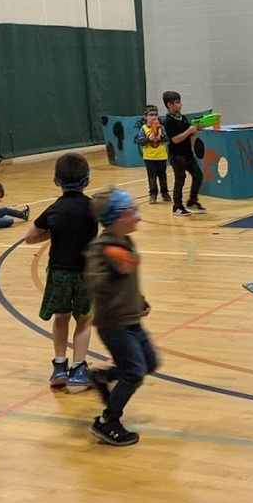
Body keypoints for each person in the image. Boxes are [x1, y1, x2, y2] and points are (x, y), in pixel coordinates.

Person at [84, 188, 157, 446]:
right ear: (116, 218)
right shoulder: (100, 248)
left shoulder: (126, 241)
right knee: (135, 371)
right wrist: (113, 268)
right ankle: (107, 421)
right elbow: (94, 282)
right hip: (114, 323)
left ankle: (103, 377)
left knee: (149, 363)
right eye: (131, 212)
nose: (138, 217)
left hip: (131, 318)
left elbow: (129, 280)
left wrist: (140, 300)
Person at [24, 153, 97, 391]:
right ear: (88, 180)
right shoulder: (93, 208)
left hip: (58, 271)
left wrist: (52, 232)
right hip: (86, 272)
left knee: (61, 317)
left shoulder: (53, 209)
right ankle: (78, 369)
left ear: (56, 181)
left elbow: (30, 238)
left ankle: (59, 366)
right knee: (84, 320)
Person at [161, 91, 206, 216]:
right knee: (180, 179)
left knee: (198, 175)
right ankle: (177, 206)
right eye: (177, 102)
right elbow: (175, 139)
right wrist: (189, 131)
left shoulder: (183, 118)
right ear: (169, 104)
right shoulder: (168, 121)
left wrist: (194, 132)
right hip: (177, 155)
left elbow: (188, 136)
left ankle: (192, 199)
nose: (181, 104)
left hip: (187, 153)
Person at [137, 104, 170, 203]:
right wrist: (148, 139)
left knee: (162, 176)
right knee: (152, 176)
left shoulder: (161, 127)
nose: (154, 117)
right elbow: (141, 142)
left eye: (156, 115)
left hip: (161, 156)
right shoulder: (143, 128)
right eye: (151, 115)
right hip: (149, 157)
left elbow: (167, 138)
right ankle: (153, 194)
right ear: (145, 116)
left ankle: (164, 192)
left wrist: (161, 138)